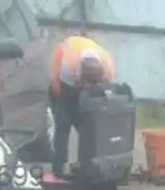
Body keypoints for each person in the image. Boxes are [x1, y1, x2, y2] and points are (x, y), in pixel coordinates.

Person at [49, 35, 116, 175]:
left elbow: (105, 92)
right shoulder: (66, 66)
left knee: (90, 126)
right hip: (64, 87)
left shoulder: (108, 67)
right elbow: (58, 89)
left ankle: (90, 164)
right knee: (62, 124)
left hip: (88, 81)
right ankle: (59, 166)